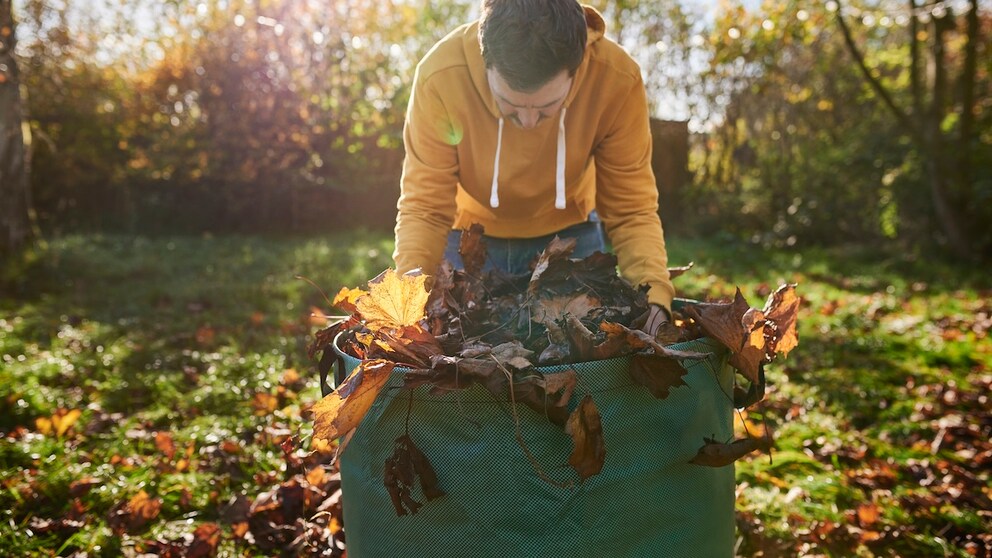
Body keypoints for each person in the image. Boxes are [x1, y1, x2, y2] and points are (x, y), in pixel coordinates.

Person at [393, 0, 674, 336]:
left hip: (571, 238)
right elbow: (424, 207)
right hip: (468, 239)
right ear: (486, 62)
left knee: (582, 357)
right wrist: (407, 304)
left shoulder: (617, 78)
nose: (527, 122)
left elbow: (631, 209)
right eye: (509, 105)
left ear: (577, 66)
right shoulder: (440, 76)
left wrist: (655, 298)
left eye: (546, 108)